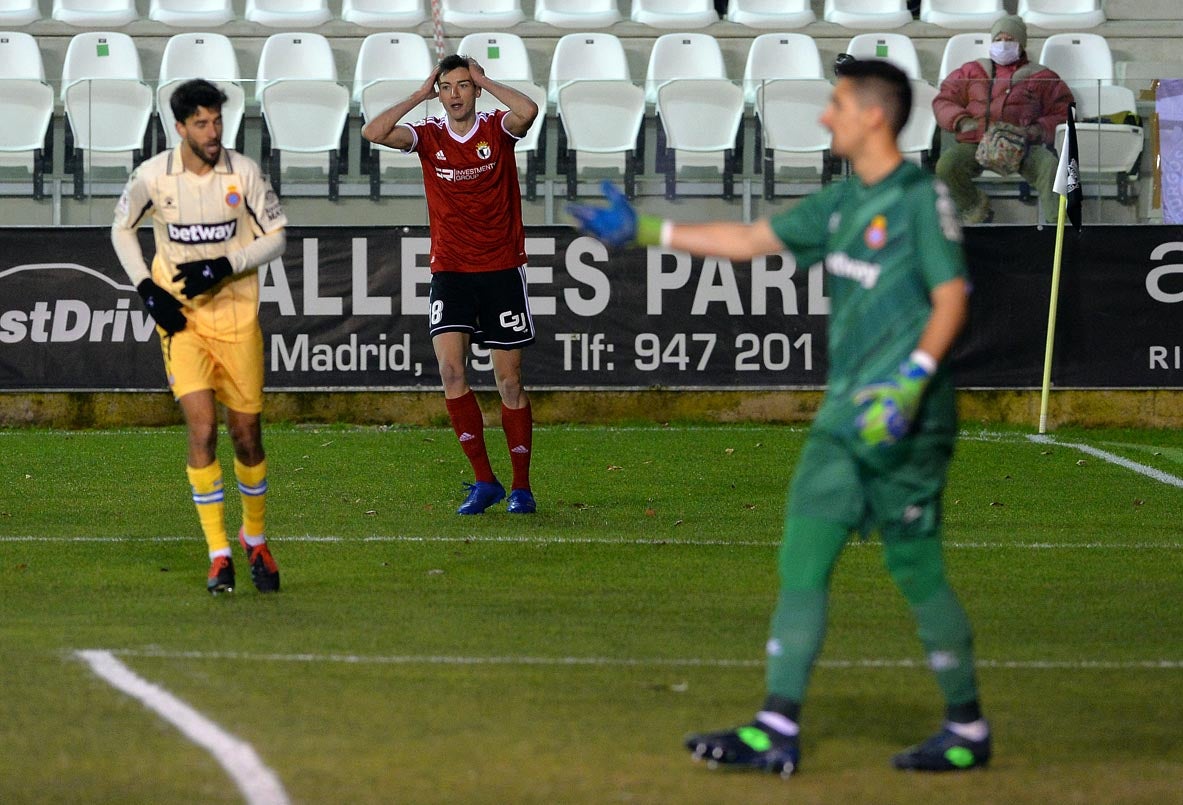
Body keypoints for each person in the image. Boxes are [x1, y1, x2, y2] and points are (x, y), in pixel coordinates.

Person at [569, 59, 990, 776]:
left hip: (906, 420)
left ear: (873, 116)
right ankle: (775, 726)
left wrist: (911, 385)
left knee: (915, 569)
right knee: (802, 557)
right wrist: (642, 228)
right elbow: (749, 240)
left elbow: (951, 295)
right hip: (843, 418)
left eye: (836, 105)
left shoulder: (919, 198)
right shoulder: (838, 204)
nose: (825, 116)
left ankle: (966, 728)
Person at [112, 78, 287, 595]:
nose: (214, 133)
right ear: (180, 127)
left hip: (236, 320)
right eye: (203, 124)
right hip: (182, 323)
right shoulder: (152, 176)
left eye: (218, 122)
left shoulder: (244, 173)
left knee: (247, 435)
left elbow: (277, 238)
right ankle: (218, 554)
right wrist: (147, 288)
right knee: (203, 430)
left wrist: (225, 265)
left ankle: (254, 536)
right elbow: (122, 228)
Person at [362, 55, 540, 516]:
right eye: (448, 87)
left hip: (501, 268)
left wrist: (485, 78)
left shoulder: (497, 129)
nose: (456, 94)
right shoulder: (430, 136)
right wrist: (419, 95)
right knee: (450, 372)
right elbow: (373, 132)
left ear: (475, 90)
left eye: (464, 85)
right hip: (451, 270)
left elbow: (529, 111)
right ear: (438, 92)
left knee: (509, 380)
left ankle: (521, 487)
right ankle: (485, 482)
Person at [933, 14, 1073, 224]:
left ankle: (1059, 230)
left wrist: (1038, 129)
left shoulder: (1042, 75)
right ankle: (974, 207)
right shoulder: (972, 70)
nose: (1003, 44)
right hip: (976, 142)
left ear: (1021, 44)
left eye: (1010, 39)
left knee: (1050, 167)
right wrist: (961, 121)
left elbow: (1064, 111)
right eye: (998, 40)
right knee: (946, 166)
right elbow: (944, 100)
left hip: (1021, 145)